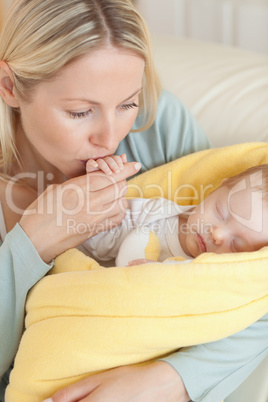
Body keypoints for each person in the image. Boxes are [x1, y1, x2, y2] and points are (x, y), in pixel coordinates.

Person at [0, 1, 266, 402]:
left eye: (127, 103)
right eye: (80, 111)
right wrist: (32, 244)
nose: (110, 138)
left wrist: (173, 379)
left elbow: (250, 286)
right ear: (9, 87)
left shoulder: (159, 126)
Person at [80, 159, 268, 266]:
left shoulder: (206, 277)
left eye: (236, 245)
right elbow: (96, 241)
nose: (217, 235)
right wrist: (99, 190)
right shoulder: (157, 214)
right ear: (218, 188)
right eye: (220, 212)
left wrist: (164, 282)